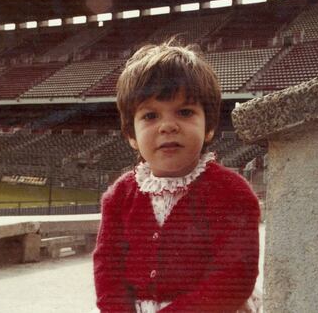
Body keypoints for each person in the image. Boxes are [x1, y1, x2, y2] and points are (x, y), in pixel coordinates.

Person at [93, 41, 261, 313]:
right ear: (131, 136)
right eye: (150, 115)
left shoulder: (232, 192)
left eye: (185, 112)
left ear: (209, 127)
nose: (168, 126)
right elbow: (107, 273)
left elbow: (233, 278)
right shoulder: (119, 197)